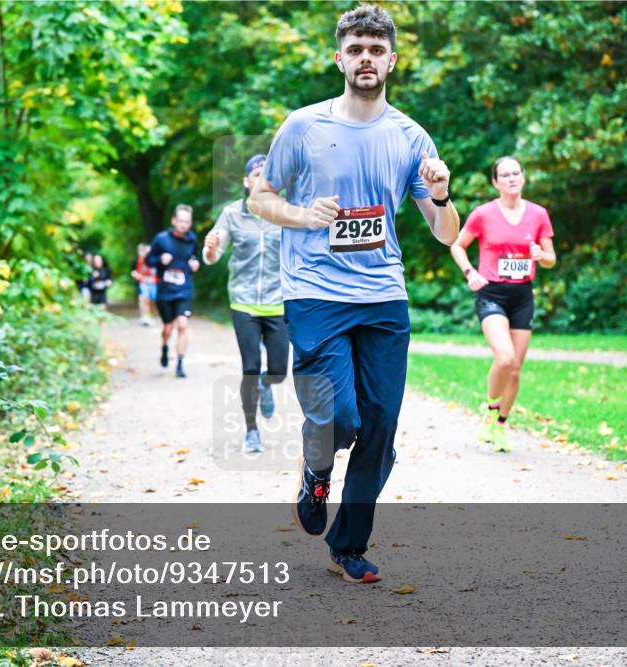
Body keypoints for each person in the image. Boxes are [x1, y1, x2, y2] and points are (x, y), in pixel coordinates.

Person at [248, 5, 459, 584]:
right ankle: (316, 471)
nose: (366, 58)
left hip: (384, 295)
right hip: (314, 293)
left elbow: (447, 235)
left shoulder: (411, 136)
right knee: (339, 417)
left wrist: (441, 195)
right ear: (338, 57)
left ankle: (349, 545)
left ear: (392, 59)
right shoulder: (303, 125)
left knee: (382, 425)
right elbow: (259, 199)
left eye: (376, 48)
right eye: (356, 48)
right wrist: (300, 214)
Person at [449, 156, 556, 453]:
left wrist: (541, 256)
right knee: (505, 358)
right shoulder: (483, 214)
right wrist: (470, 272)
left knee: (516, 369)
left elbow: (551, 258)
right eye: (505, 175)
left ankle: (500, 423)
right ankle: (491, 407)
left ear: (523, 178)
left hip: (522, 295)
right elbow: (457, 245)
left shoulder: (538, 215)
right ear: (496, 182)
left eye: (516, 173)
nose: (511, 178)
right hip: (491, 293)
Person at [203, 154, 290, 454]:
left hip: (278, 303)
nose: (261, 179)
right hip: (244, 303)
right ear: (246, 181)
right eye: (256, 174)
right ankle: (251, 430)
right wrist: (210, 248)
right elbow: (213, 254)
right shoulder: (231, 214)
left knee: (279, 370)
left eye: (267, 175)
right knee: (250, 367)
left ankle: (269, 384)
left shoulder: (285, 213)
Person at [147, 205, 200, 378]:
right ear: (174, 221)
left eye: (187, 221)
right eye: (181, 221)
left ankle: (180, 363)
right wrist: (160, 259)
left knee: (183, 325)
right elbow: (149, 260)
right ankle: (164, 347)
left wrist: (195, 265)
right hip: (165, 291)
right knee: (168, 328)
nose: (184, 224)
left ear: (190, 223)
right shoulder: (161, 239)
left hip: (184, 289)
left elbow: (195, 258)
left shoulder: (192, 240)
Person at [131, 243, 158, 326]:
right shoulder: (138, 260)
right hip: (143, 282)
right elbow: (134, 270)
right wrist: (134, 274)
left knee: (153, 300)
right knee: (143, 299)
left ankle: (150, 315)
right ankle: (144, 317)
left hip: (154, 283)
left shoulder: (155, 259)